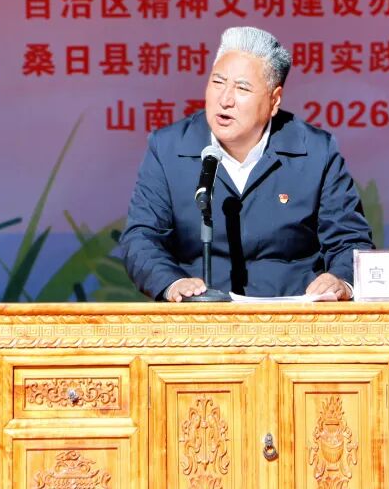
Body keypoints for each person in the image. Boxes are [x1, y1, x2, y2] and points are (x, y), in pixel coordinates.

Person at [117, 26, 374, 302]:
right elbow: (141, 238)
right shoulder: (168, 148)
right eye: (218, 82)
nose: (225, 100)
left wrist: (340, 280)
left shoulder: (315, 151)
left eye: (242, 88)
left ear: (274, 100)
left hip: (293, 317)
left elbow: (350, 241)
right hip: (200, 316)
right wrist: (172, 283)